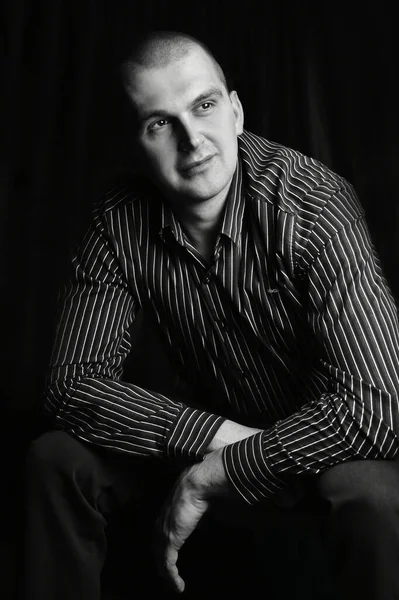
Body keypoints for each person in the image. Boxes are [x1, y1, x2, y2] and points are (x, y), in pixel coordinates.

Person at [23, 29, 399, 600]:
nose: (193, 140)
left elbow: (379, 406)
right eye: (160, 123)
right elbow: (72, 386)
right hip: (208, 434)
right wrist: (220, 441)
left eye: (204, 106)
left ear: (236, 110)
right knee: (56, 458)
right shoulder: (118, 223)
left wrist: (225, 469)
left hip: (322, 446)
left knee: (373, 492)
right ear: (137, 143)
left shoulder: (313, 206)